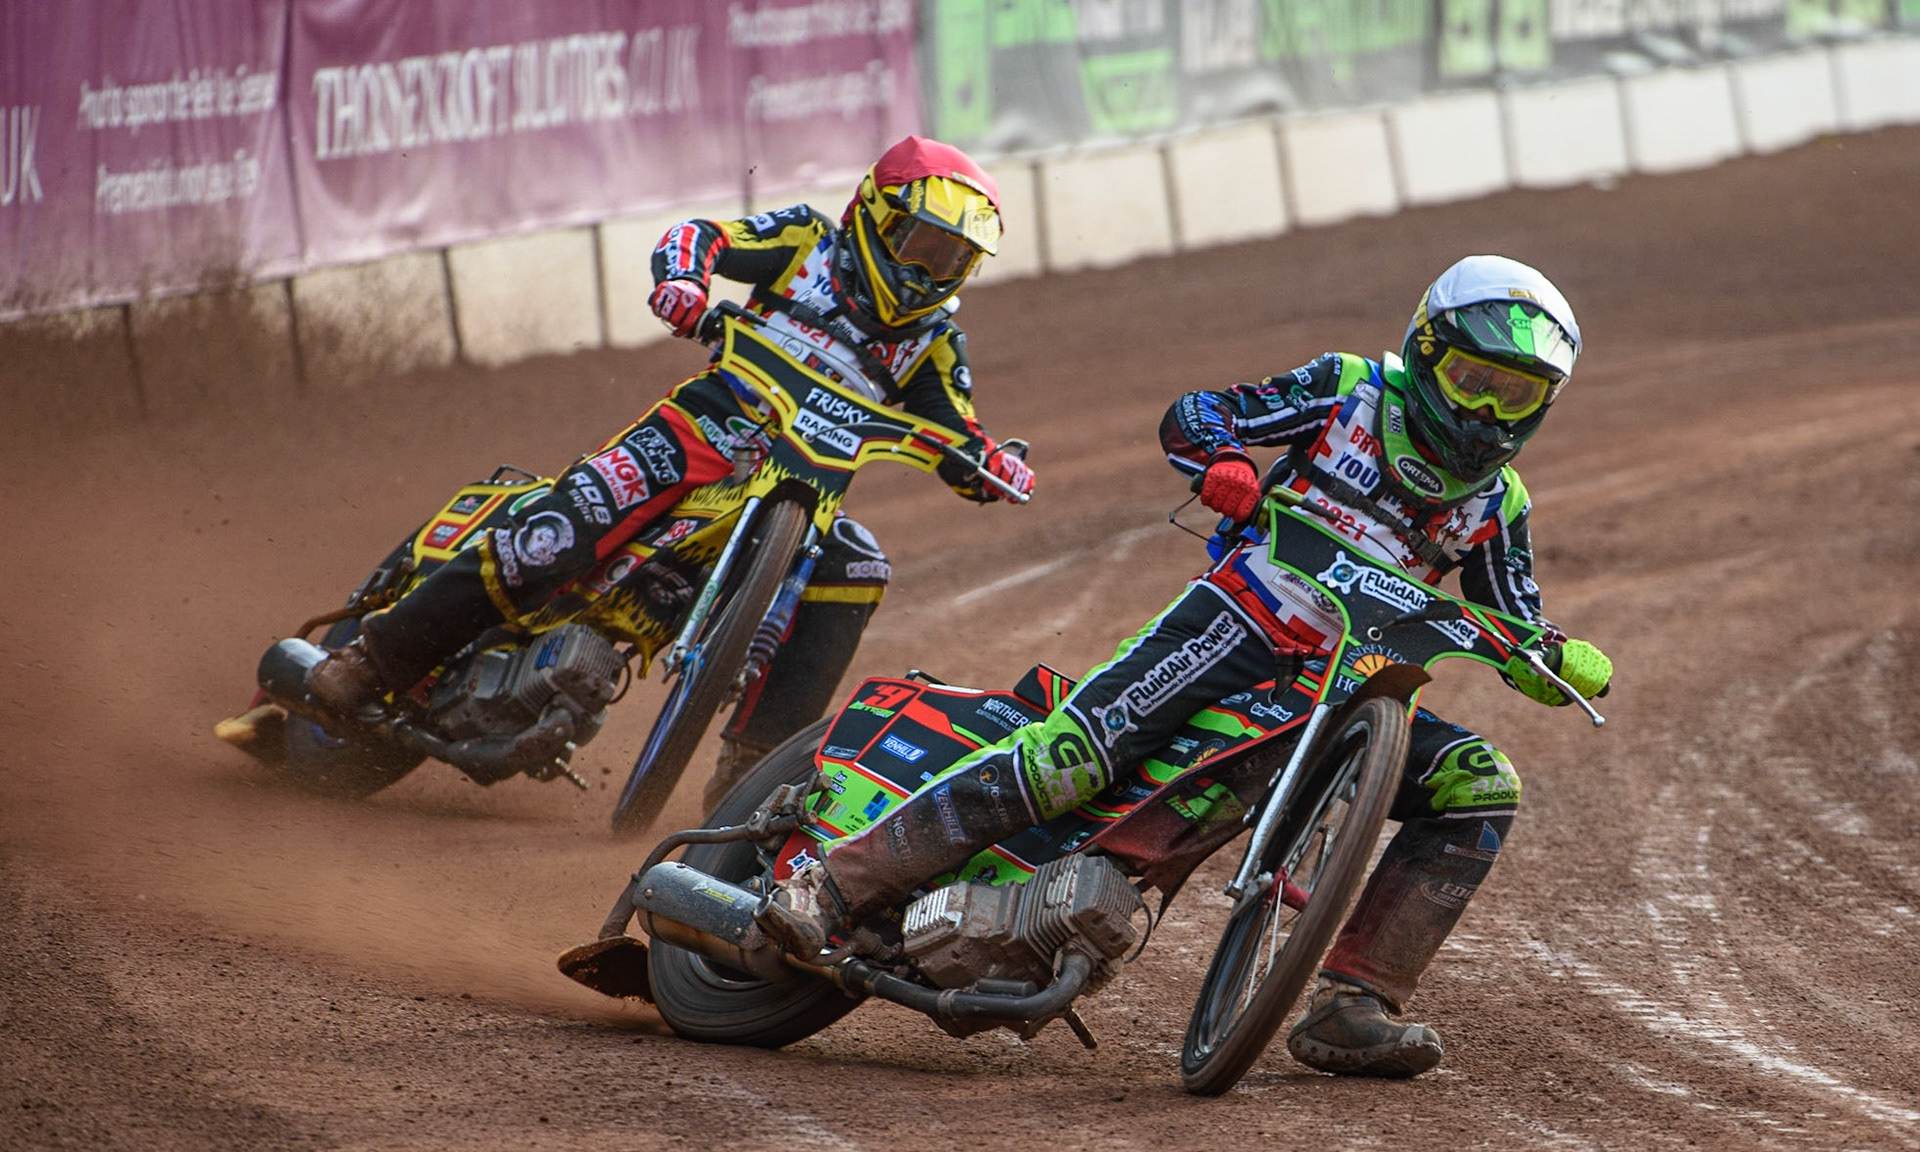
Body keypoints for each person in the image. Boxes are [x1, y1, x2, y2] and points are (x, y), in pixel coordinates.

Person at [760, 254, 1614, 1079]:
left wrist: (1546, 657)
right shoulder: (1350, 389)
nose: (1487, 414)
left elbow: (1513, 617)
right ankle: (834, 886)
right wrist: (1226, 461)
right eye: (1474, 381)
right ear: (1427, 355)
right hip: (1237, 624)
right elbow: (1202, 412)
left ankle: (1354, 1003)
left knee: (1481, 783)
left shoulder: (1498, 505)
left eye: (1518, 395)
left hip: (1348, 688)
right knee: (1072, 758)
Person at [304, 137, 1036, 807]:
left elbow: (957, 431)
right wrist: (684, 282)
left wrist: (990, 463)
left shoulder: (934, 343)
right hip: (699, 430)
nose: (926, 273)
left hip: (806, 491)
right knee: (561, 531)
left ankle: (748, 773)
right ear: (875, 217)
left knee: (859, 563)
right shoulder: (808, 241)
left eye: (951, 261)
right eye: (921, 247)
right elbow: (704, 236)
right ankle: (375, 661)